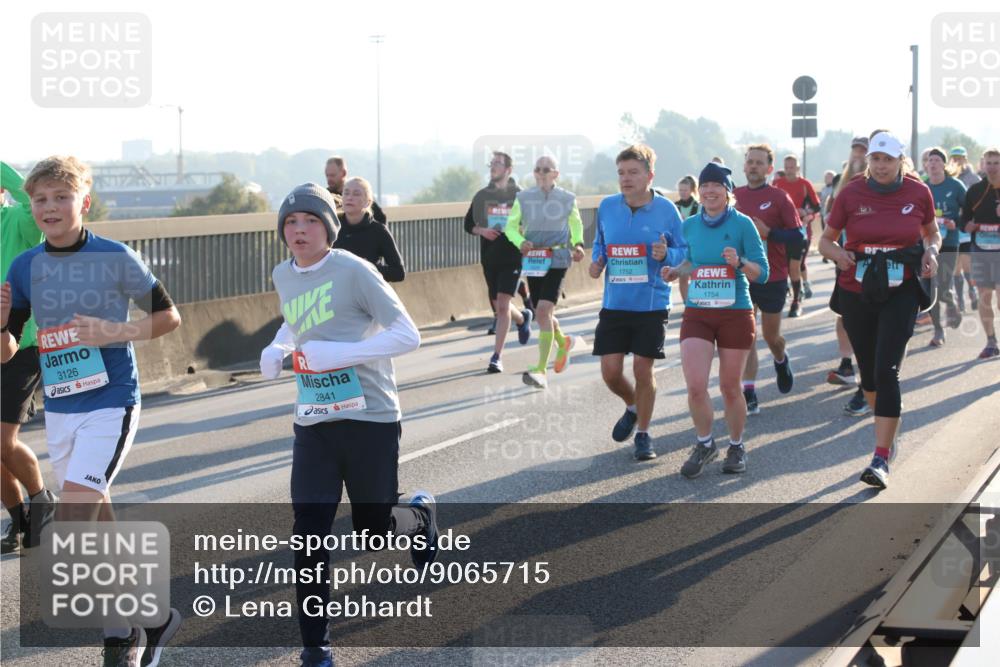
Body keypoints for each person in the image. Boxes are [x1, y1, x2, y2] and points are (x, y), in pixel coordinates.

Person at [1, 156, 184, 664]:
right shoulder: (24, 267)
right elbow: (7, 351)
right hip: (62, 407)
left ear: (83, 202)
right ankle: (140, 623)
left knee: (74, 521)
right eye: (41, 199)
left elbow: (168, 315)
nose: (50, 207)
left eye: (61, 197)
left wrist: (115, 331)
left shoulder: (115, 256)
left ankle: (124, 631)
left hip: (111, 400)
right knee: (97, 519)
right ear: (30, 206)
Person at [259, 183, 438, 667]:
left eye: (310, 221)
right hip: (314, 419)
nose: (299, 230)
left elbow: (408, 335)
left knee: (373, 531)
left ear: (329, 227)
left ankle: (418, 517)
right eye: (290, 222)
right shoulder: (283, 273)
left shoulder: (355, 271)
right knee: (309, 531)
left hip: (369, 416)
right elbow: (297, 320)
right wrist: (278, 346)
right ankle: (315, 646)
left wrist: (343, 354)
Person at [820, 132, 941, 489]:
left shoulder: (918, 192)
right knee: (869, 376)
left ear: (900, 161)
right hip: (856, 289)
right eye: (876, 159)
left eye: (888, 160)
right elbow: (825, 240)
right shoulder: (851, 193)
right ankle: (888, 425)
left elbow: (932, 233)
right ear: (868, 160)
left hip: (901, 289)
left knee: (887, 370)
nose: (881, 166)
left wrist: (932, 251)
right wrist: (838, 254)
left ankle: (881, 456)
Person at [660, 162, 768, 477]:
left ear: (727, 191)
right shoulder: (690, 225)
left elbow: (763, 273)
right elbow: (690, 261)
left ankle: (736, 445)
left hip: (735, 312)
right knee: (696, 386)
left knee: (730, 387)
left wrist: (740, 262)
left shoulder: (743, 224)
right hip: (698, 312)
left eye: (716, 186)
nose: (709, 191)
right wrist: (675, 271)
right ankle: (705, 444)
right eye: (705, 185)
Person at [589, 144, 686, 460]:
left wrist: (667, 255)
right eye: (621, 173)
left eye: (633, 172)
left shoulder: (667, 210)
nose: (626, 178)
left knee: (643, 368)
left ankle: (643, 434)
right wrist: (597, 261)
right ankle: (633, 406)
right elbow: (600, 243)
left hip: (651, 303)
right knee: (610, 372)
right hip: (615, 302)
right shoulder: (607, 206)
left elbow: (684, 251)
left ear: (649, 176)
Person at [0, 162, 55, 555]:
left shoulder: (19, 221)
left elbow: (29, 194)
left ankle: (41, 500)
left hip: (22, 343)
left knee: (3, 440)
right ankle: (19, 520)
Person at [504, 156, 585, 389]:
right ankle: (563, 341)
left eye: (546, 169)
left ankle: (540, 370)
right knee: (543, 314)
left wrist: (578, 244)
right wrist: (520, 241)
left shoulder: (567, 198)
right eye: (537, 169)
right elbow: (510, 227)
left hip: (558, 259)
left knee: (542, 311)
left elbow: (576, 223)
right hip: (534, 260)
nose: (541, 173)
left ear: (555, 174)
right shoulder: (523, 197)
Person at [734, 145, 804, 415]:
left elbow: (798, 235)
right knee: (747, 335)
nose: (753, 166)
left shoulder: (779, 197)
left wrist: (769, 233)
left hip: (773, 276)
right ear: (744, 166)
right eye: (750, 162)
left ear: (769, 168)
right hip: (742, 276)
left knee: (771, 336)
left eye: (759, 163)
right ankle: (749, 391)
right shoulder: (734, 197)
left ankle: (780, 358)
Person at [463, 152, 533, 372]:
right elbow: (468, 225)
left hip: (512, 257)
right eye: (491, 163)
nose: (492, 167)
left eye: (497, 164)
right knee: (499, 306)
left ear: (508, 170)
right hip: (489, 258)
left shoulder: (520, 195)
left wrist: (524, 236)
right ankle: (522, 319)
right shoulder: (482, 195)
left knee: (502, 305)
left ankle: (497, 357)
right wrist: (482, 230)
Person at [826, 136, 871, 417]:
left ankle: (871, 384)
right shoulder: (842, 183)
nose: (858, 156)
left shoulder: (880, 182)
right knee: (844, 313)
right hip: (846, 258)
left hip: (875, 261)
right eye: (855, 151)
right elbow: (830, 217)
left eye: (863, 152)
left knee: (871, 321)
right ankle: (846, 365)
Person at [959, 148, 1000, 359]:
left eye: (996, 163)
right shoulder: (975, 190)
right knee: (985, 297)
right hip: (981, 250)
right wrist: (967, 225)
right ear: (982, 165)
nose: (992, 167)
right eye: (989, 163)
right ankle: (991, 341)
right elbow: (964, 219)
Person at [924, 147, 966, 346]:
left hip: (949, 242)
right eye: (930, 160)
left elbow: (969, 211)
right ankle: (938, 331)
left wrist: (955, 222)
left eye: (937, 160)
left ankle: (951, 303)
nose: (933, 163)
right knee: (931, 289)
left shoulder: (955, 186)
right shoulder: (922, 187)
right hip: (928, 244)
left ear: (944, 164)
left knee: (942, 288)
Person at [773, 154, 821, 316]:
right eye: (786, 167)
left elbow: (817, 207)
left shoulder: (805, 184)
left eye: (792, 167)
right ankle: (788, 292)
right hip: (781, 231)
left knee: (795, 266)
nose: (789, 170)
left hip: (799, 231)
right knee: (782, 266)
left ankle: (796, 301)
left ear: (798, 168)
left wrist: (805, 213)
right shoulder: (777, 184)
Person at [333, 176, 405, 282]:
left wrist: (368, 268)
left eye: (356, 194)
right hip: (337, 288)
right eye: (346, 193)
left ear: (368, 202)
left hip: (366, 289)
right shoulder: (331, 228)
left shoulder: (379, 231)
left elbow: (399, 273)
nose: (349, 198)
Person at [325, 156, 387, 225]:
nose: (329, 179)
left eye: (332, 175)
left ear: (344, 173)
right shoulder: (325, 196)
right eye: (327, 175)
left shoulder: (361, 192)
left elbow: (381, 218)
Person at [674, 175, 699, 303]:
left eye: (685, 190)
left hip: (695, 246)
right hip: (681, 246)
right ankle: (687, 305)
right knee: (683, 277)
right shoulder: (674, 206)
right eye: (680, 190)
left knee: (695, 277)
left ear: (692, 190)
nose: (682, 193)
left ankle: (697, 303)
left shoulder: (699, 206)